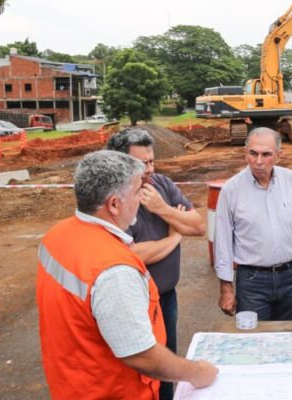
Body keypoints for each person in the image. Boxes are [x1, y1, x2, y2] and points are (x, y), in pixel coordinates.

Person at [36, 150, 217, 399]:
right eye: (136, 193)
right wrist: (197, 372)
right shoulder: (114, 270)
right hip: (114, 391)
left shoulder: (57, 235)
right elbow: (143, 355)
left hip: (73, 384)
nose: (141, 200)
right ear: (113, 204)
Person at [106, 127, 206, 400]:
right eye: (142, 164)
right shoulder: (113, 200)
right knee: (137, 369)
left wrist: (163, 209)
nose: (149, 169)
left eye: (152, 161)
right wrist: (174, 235)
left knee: (166, 367)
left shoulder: (162, 185)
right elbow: (130, 255)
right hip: (134, 303)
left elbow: (197, 227)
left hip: (165, 299)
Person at [214, 127, 292, 321]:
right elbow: (222, 241)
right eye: (253, 153)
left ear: (278, 156)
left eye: (266, 154)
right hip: (252, 282)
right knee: (254, 344)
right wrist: (226, 288)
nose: (258, 161)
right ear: (245, 153)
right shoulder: (231, 190)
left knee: (287, 338)